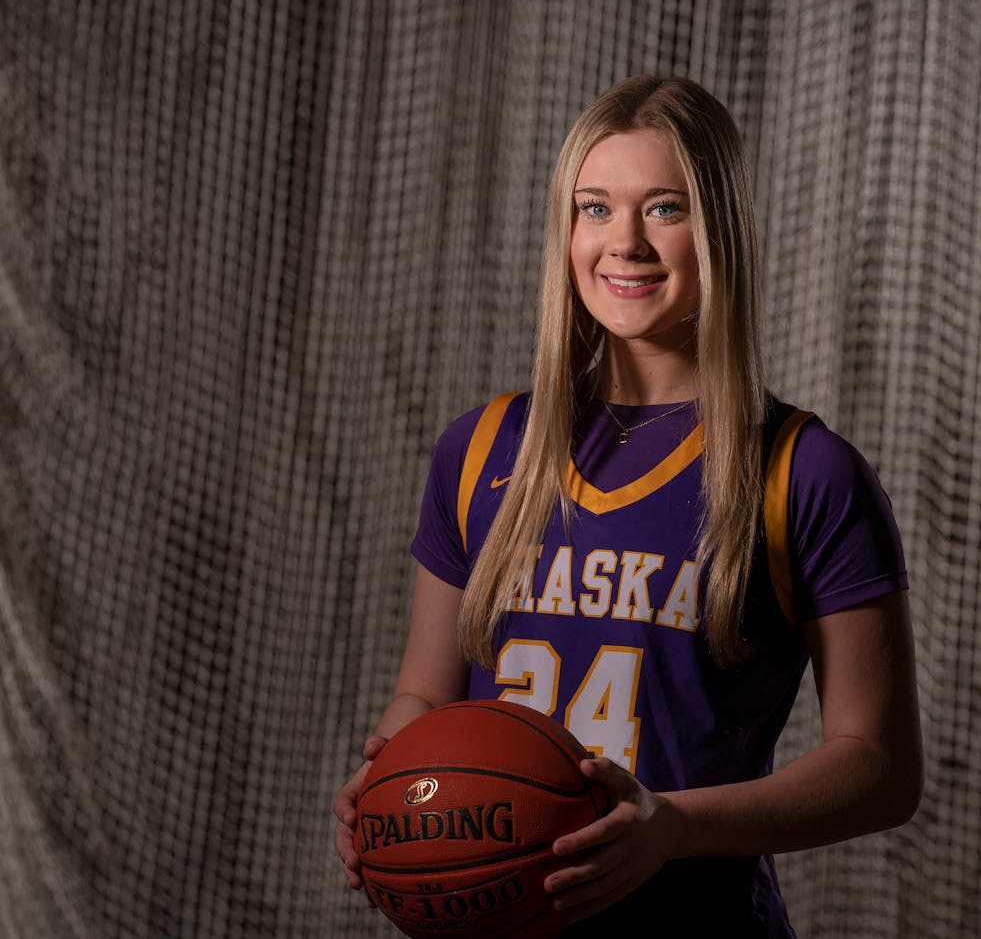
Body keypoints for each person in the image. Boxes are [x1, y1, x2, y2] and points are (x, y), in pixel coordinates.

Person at [333, 75, 922, 937]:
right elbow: (423, 696)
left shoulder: (803, 471)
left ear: (718, 226)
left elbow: (879, 767)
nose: (627, 243)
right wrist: (388, 788)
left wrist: (676, 827)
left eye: (666, 209)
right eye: (596, 208)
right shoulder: (482, 449)